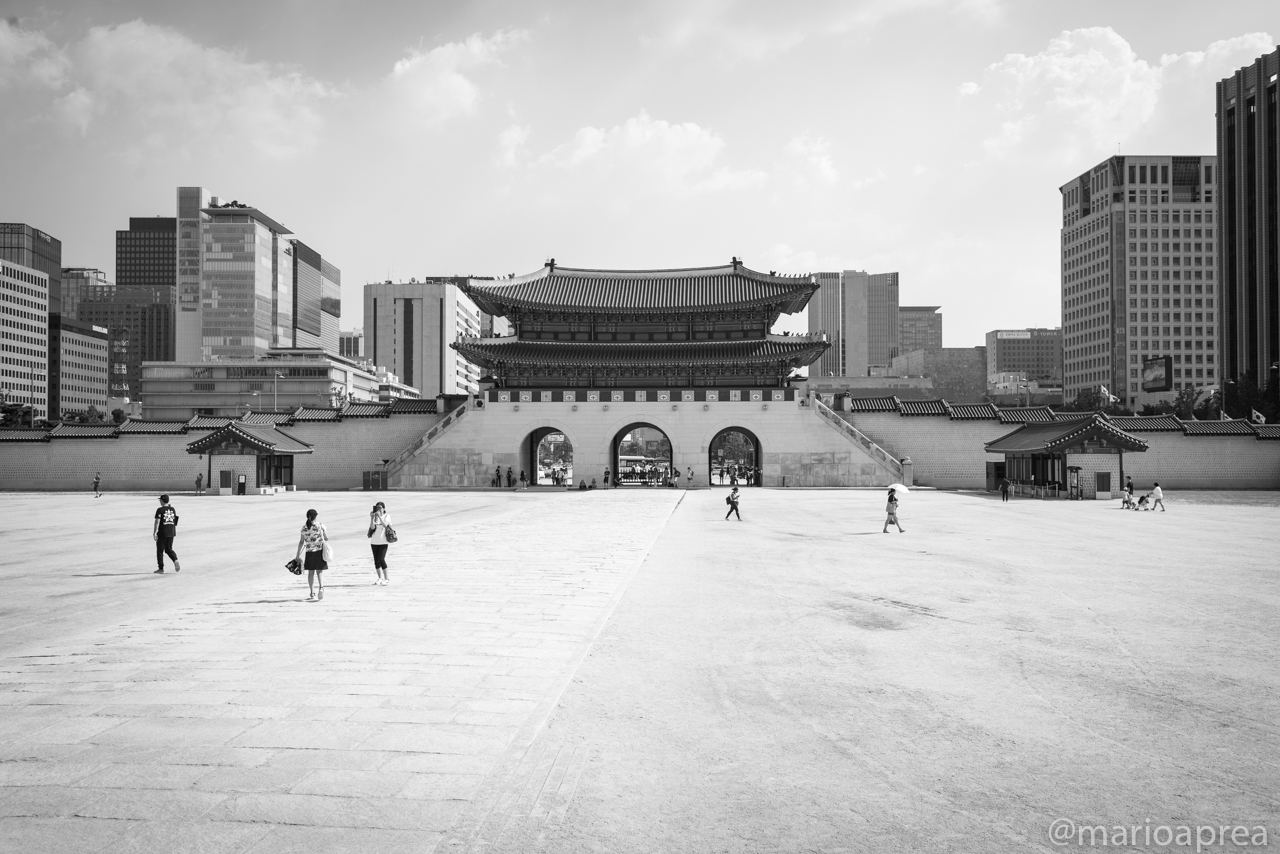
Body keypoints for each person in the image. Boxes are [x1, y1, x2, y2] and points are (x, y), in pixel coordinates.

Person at [296, 508, 329, 600]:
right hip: (319, 551)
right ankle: (321, 587)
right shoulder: (320, 525)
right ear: (315, 517)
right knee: (319, 571)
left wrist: (297, 554)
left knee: (311, 573)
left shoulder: (304, 528)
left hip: (309, 553)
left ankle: (311, 592)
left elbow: (301, 542)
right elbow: (326, 538)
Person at [152, 494, 180, 574]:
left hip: (162, 532)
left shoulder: (160, 510)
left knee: (160, 551)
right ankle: (175, 560)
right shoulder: (173, 509)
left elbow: (157, 521)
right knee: (168, 549)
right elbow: (175, 521)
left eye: (160, 500)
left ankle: (161, 568)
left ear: (162, 501)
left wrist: (154, 532)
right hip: (171, 532)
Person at [368, 501, 391, 585]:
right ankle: (379, 578)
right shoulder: (375, 517)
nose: (379, 509)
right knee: (376, 561)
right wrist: (372, 518)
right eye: (377, 507)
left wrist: (380, 517)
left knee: (381, 559)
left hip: (383, 541)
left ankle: (386, 578)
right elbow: (372, 527)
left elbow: (386, 525)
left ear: (384, 508)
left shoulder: (387, 516)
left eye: (380, 507)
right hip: (374, 541)